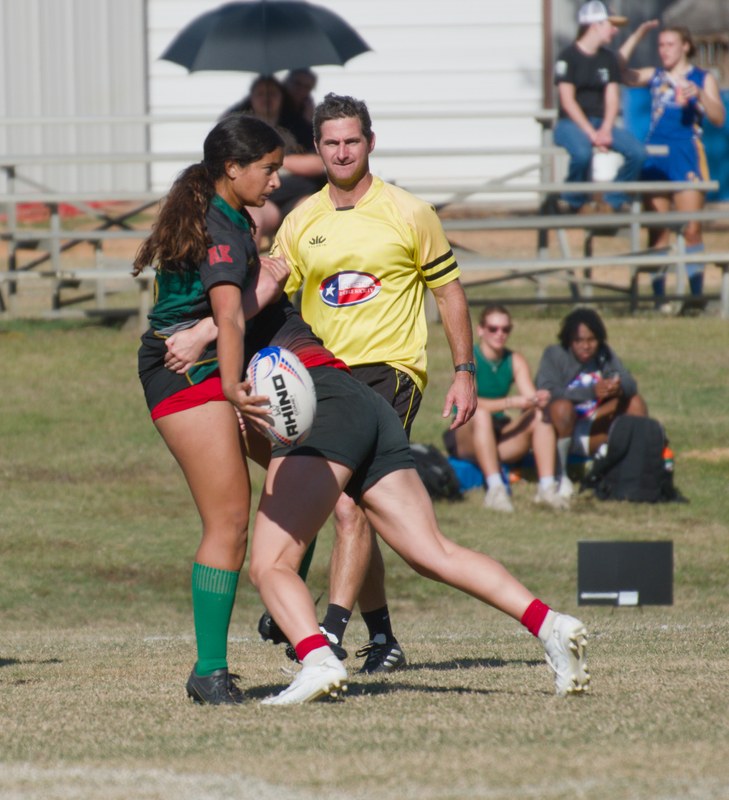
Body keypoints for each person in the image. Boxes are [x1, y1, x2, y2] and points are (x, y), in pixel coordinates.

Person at [135, 113, 590, 706]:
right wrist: (220, 326)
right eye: (270, 170)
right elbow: (247, 296)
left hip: (319, 403)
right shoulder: (243, 228)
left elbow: (234, 312)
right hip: (360, 398)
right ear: (232, 169)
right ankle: (551, 624)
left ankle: (314, 655)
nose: (279, 181)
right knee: (430, 551)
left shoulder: (230, 227)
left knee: (266, 560)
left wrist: (225, 376)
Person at [270, 92, 478, 672]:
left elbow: (449, 292)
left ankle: (329, 635)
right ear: (316, 148)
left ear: (370, 143)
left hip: (390, 370)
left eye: (352, 140)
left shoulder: (410, 212)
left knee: (345, 506)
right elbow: (271, 300)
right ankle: (382, 638)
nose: (342, 151)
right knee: (353, 501)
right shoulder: (299, 221)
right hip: (319, 377)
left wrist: (464, 372)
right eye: (331, 142)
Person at [619, 22, 726, 309]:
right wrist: (637, 35)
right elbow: (621, 72)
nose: (664, 51)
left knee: (691, 228)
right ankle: (659, 300)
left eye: (670, 45)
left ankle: (695, 298)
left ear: (685, 46)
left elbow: (718, 117)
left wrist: (701, 96)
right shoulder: (655, 76)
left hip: (686, 152)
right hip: (656, 154)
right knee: (658, 229)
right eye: (660, 45)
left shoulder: (702, 78)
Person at [443, 305, 568, 512]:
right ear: (481, 330)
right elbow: (468, 401)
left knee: (539, 415)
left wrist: (538, 399)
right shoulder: (469, 358)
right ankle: (496, 489)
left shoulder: (514, 359)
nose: (500, 334)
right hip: (466, 429)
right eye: (493, 328)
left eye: (505, 329)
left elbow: (529, 397)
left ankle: (547, 488)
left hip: (499, 432)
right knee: (480, 414)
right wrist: (510, 403)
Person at [535, 307, 648, 500]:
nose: (586, 346)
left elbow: (630, 383)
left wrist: (617, 388)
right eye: (579, 341)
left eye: (591, 340)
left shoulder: (604, 355)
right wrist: (590, 392)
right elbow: (547, 392)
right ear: (569, 340)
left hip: (593, 427)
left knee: (634, 403)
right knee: (562, 407)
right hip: (561, 429)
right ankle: (560, 474)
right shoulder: (555, 354)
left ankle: (634, 470)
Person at [554, 1, 646, 213]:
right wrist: (592, 133)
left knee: (638, 153)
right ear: (595, 25)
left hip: (600, 123)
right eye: (609, 25)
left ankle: (612, 201)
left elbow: (612, 98)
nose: (614, 31)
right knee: (582, 153)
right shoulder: (567, 57)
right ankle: (574, 202)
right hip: (571, 124)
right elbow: (567, 101)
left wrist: (605, 129)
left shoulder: (608, 59)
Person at [221, 74, 326, 248]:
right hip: (260, 200)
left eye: (273, 94)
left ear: (282, 98)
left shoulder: (297, 124)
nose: (267, 99)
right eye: (261, 94)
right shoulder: (239, 126)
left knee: (314, 214)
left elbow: (318, 164)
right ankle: (248, 269)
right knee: (252, 219)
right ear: (252, 98)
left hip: (297, 195)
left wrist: (275, 160)